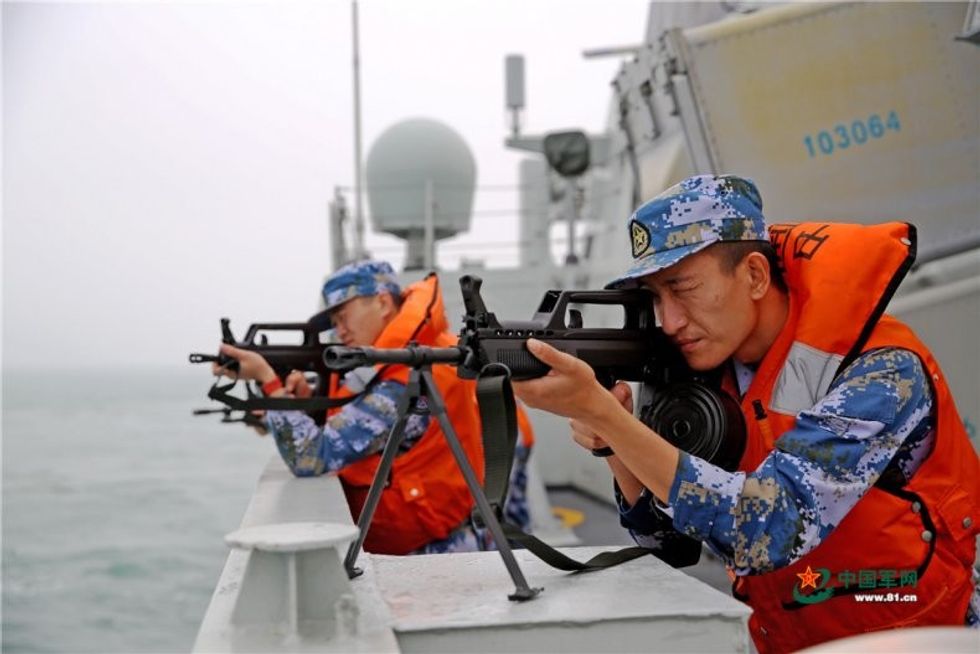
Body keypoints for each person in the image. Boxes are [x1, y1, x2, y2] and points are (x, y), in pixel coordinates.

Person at [511, 174, 980, 652]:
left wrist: (607, 417)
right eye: (654, 297)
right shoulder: (703, 370)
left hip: (916, 639)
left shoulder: (880, 370)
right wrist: (610, 437)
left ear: (755, 275)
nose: (669, 321)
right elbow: (665, 546)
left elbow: (766, 529)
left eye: (684, 287)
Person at [216, 260, 532, 555]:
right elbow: (358, 412)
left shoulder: (409, 378)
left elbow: (311, 456)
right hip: (424, 542)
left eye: (343, 315)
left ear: (382, 302)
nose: (339, 329)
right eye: (334, 321)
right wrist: (301, 400)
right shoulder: (408, 356)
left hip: (432, 556)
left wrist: (268, 380)